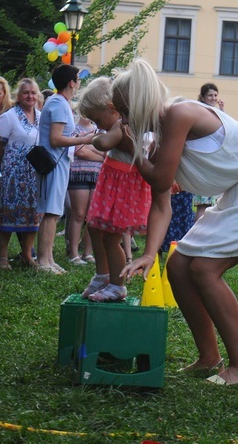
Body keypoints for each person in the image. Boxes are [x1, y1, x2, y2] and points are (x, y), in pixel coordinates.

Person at [119, 59, 238, 385]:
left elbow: (159, 180)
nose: (124, 121)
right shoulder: (162, 133)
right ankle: (209, 357)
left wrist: (132, 149)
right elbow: (162, 202)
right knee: (177, 266)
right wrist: (149, 252)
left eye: (124, 112)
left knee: (204, 269)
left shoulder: (179, 114)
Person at [78, 76, 151, 302]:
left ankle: (117, 286)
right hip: (113, 185)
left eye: (97, 119)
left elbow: (106, 143)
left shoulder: (121, 125)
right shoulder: (117, 124)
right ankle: (102, 275)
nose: (97, 125)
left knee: (111, 238)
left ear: (112, 108)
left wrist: (93, 138)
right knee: (93, 228)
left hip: (123, 188)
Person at [36, 64, 93, 275]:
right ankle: (43, 261)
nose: (79, 83)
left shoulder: (60, 102)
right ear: (71, 82)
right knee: (51, 212)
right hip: (53, 162)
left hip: (58, 162)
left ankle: (48, 258)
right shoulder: (59, 104)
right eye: (78, 79)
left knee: (54, 211)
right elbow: (55, 138)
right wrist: (84, 139)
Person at [0, 78, 41, 269]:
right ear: (18, 96)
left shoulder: (41, 116)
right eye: (26, 92)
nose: (30, 96)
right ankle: (2, 257)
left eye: (33, 92)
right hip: (12, 174)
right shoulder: (9, 117)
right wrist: (13, 163)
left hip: (34, 174)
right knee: (7, 213)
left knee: (32, 214)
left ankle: (27, 255)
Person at [66, 114, 103, 266]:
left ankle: (87, 252)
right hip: (78, 173)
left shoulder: (98, 130)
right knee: (78, 214)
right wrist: (97, 153)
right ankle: (74, 253)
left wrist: (89, 149)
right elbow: (78, 151)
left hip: (97, 175)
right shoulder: (73, 128)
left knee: (92, 216)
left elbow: (106, 152)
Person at [194, 83, 223, 222]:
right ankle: (197, 234)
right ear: (203, 97)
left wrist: (222, 110)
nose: (213, 98)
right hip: (204, 161)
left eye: (215, 95)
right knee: (203, 204)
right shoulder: (202, 112)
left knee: (212, 204)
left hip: (213, 160)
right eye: (210, 95)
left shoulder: (215, 112)